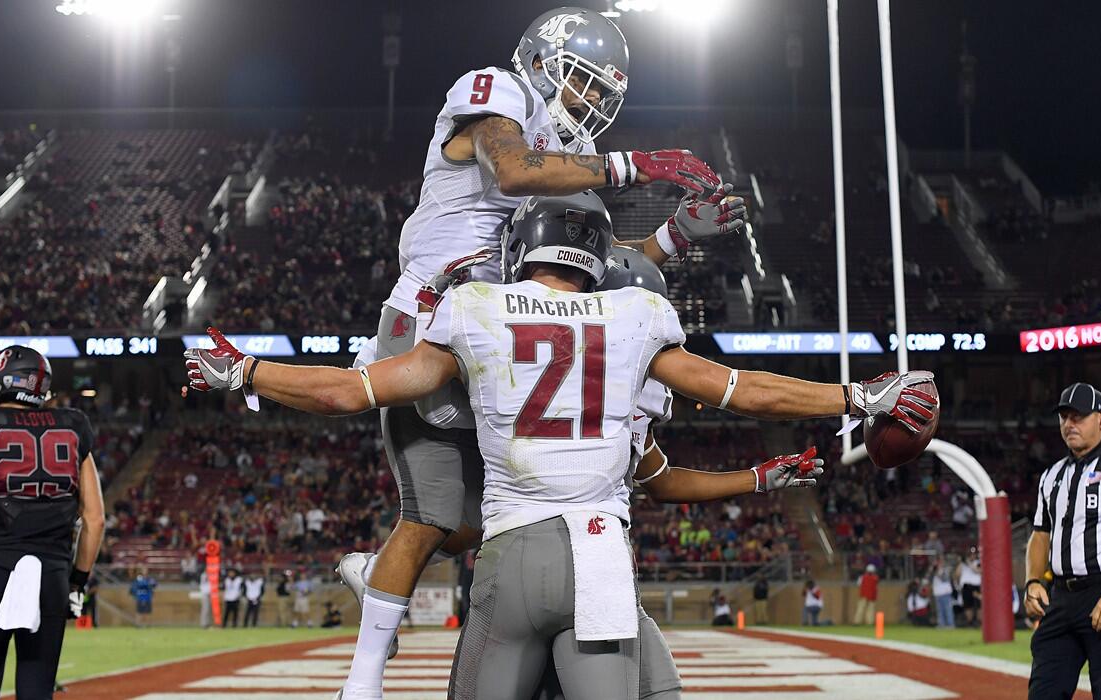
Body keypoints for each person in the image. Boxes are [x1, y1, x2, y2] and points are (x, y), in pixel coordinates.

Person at [186, 192, 935, 699]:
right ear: (598, 267)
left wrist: (246, 369)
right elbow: (736, 388)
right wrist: (859, 396)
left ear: (521, 254)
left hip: (512, 553)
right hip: (600, 554)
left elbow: (349, 391)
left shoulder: (474, 305)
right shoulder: (634, 313)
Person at [326, 5, 741, 694]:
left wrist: (674, 237)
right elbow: (513, 171)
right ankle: (363, 683)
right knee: (432, 516)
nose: (588, 103)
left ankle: (386, 580)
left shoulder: (566, 166)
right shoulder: (499, 92)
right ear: (544, 59)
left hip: (503, 338)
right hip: (435, 313)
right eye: (582, 82)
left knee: (498, 522)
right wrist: (632, 166)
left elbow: (584, 270)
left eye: (602, 97)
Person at [0, 346, 105, 699]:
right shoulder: (73, 426)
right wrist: (77, 582)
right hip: (53, 577)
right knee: (37, 689)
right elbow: (95, 519)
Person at [1026, 383, 1101, 699]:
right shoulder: (1051, 475)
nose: (1069, 424)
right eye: (1065, 417)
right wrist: (1034, 581)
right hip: (1061, 596)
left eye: (1079, 417)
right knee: (1044, 691)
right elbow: (1040, 534)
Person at [956, 550, 982, 626]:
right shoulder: (963, 564)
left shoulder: (978, 562)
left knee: (979, 605)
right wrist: (961, 563)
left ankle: (979, 622)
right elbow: (957, 574)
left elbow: (978, 571)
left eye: (973, 554)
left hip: (976, 586)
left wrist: (969, 563)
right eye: (970, 554)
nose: (972, 556)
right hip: (966, 586)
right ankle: (969, 622)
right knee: (968, 605)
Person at [931, 559, 956, 628]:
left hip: (945, 593)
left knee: (948, 610)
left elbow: (944, 579)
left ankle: (950, 624)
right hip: (938, 594)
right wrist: (933, 570)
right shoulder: (934, 571)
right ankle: (941, 624)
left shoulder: (946, 570)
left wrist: (938, 573)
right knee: (940, 611)